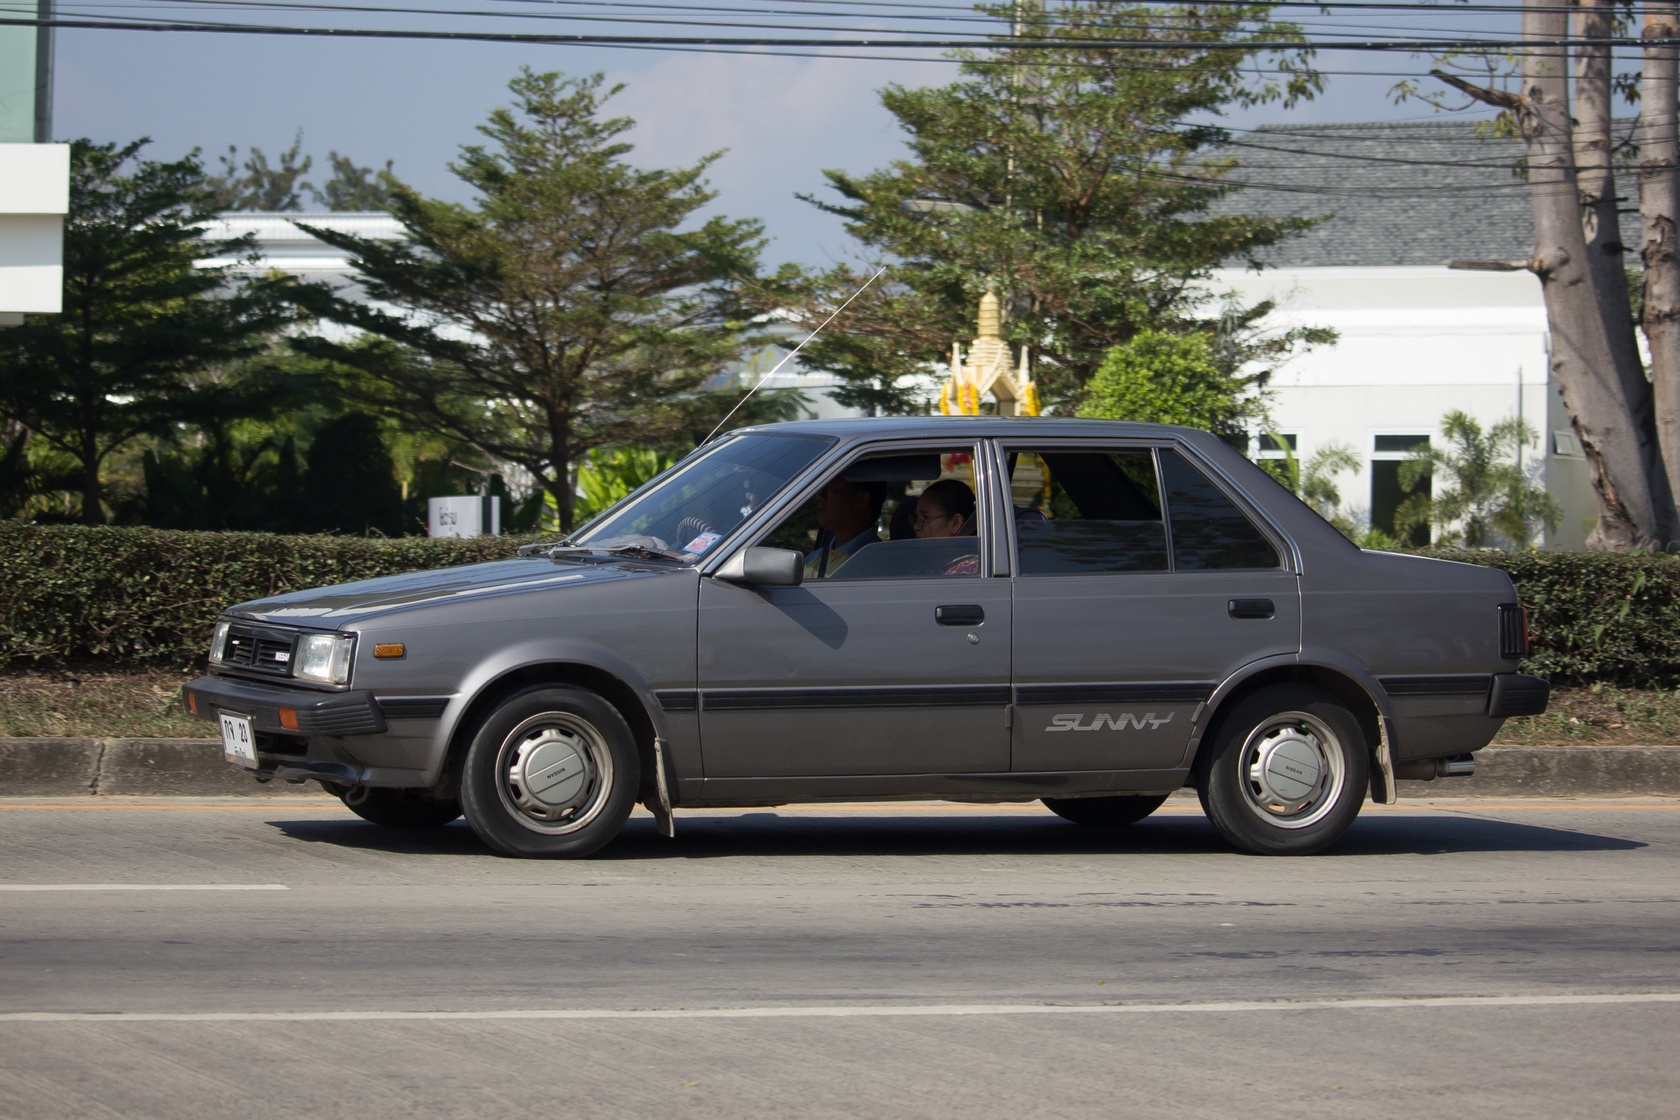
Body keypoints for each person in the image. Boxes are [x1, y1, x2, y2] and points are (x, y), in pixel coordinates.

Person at [805, 476, 887, 578]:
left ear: (861, 500)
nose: (819, 495)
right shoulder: (813, 559)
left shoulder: (880, 565)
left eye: (830, 487)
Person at [914, 478, 980, 575]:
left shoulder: (968, 571)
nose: (916, 526)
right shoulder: (928, 567)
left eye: (924, 518)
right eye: (916, 518)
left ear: (955, 523)